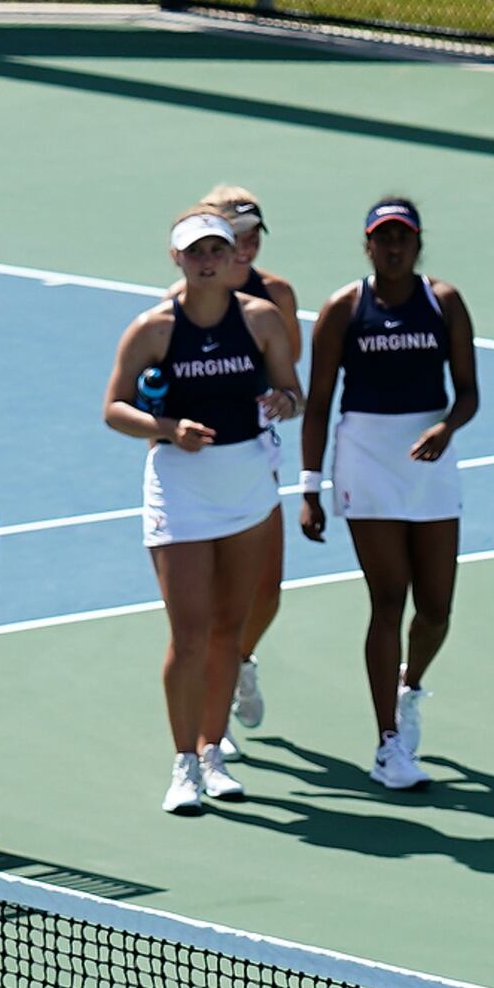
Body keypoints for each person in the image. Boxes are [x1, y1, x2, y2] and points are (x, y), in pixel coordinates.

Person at [108, 203, 301, 815]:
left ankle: (213, 750)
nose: (209, 261)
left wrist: (283, 400)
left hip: (245, 484)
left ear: (234, 255)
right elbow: (114, 408)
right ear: (178, 259)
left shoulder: (263, 320)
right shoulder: (153, 329)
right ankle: (184, 764)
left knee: (228, 629)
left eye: (218, 250)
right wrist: (167, 428)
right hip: (180, 487)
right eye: (196, 252)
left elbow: (295, 391)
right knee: (188, 634)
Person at [298, 195, 479, 791]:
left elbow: (469, 394)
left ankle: (409, 688)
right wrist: (310, 488)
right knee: (388, 598)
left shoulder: (443, 302)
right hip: (366, 461)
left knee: (436, 608)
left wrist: (446, 427)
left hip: (429, 458)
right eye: (383, 237)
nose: (394, 246)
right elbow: (318, 404)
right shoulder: (343, 309)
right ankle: (387, 745)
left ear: (418, 242)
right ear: (368, 245)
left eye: (404, 237)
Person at [207, 186, 301, 744]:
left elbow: (291, 378)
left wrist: (284, 400)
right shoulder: (190, 296)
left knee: (267, 590)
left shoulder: (277, 295)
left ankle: (239, 657)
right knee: (214, 596)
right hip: (198, 459)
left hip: (257, 453)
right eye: (236, 235)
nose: (247, 245)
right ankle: (207, 731)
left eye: (254, 234)